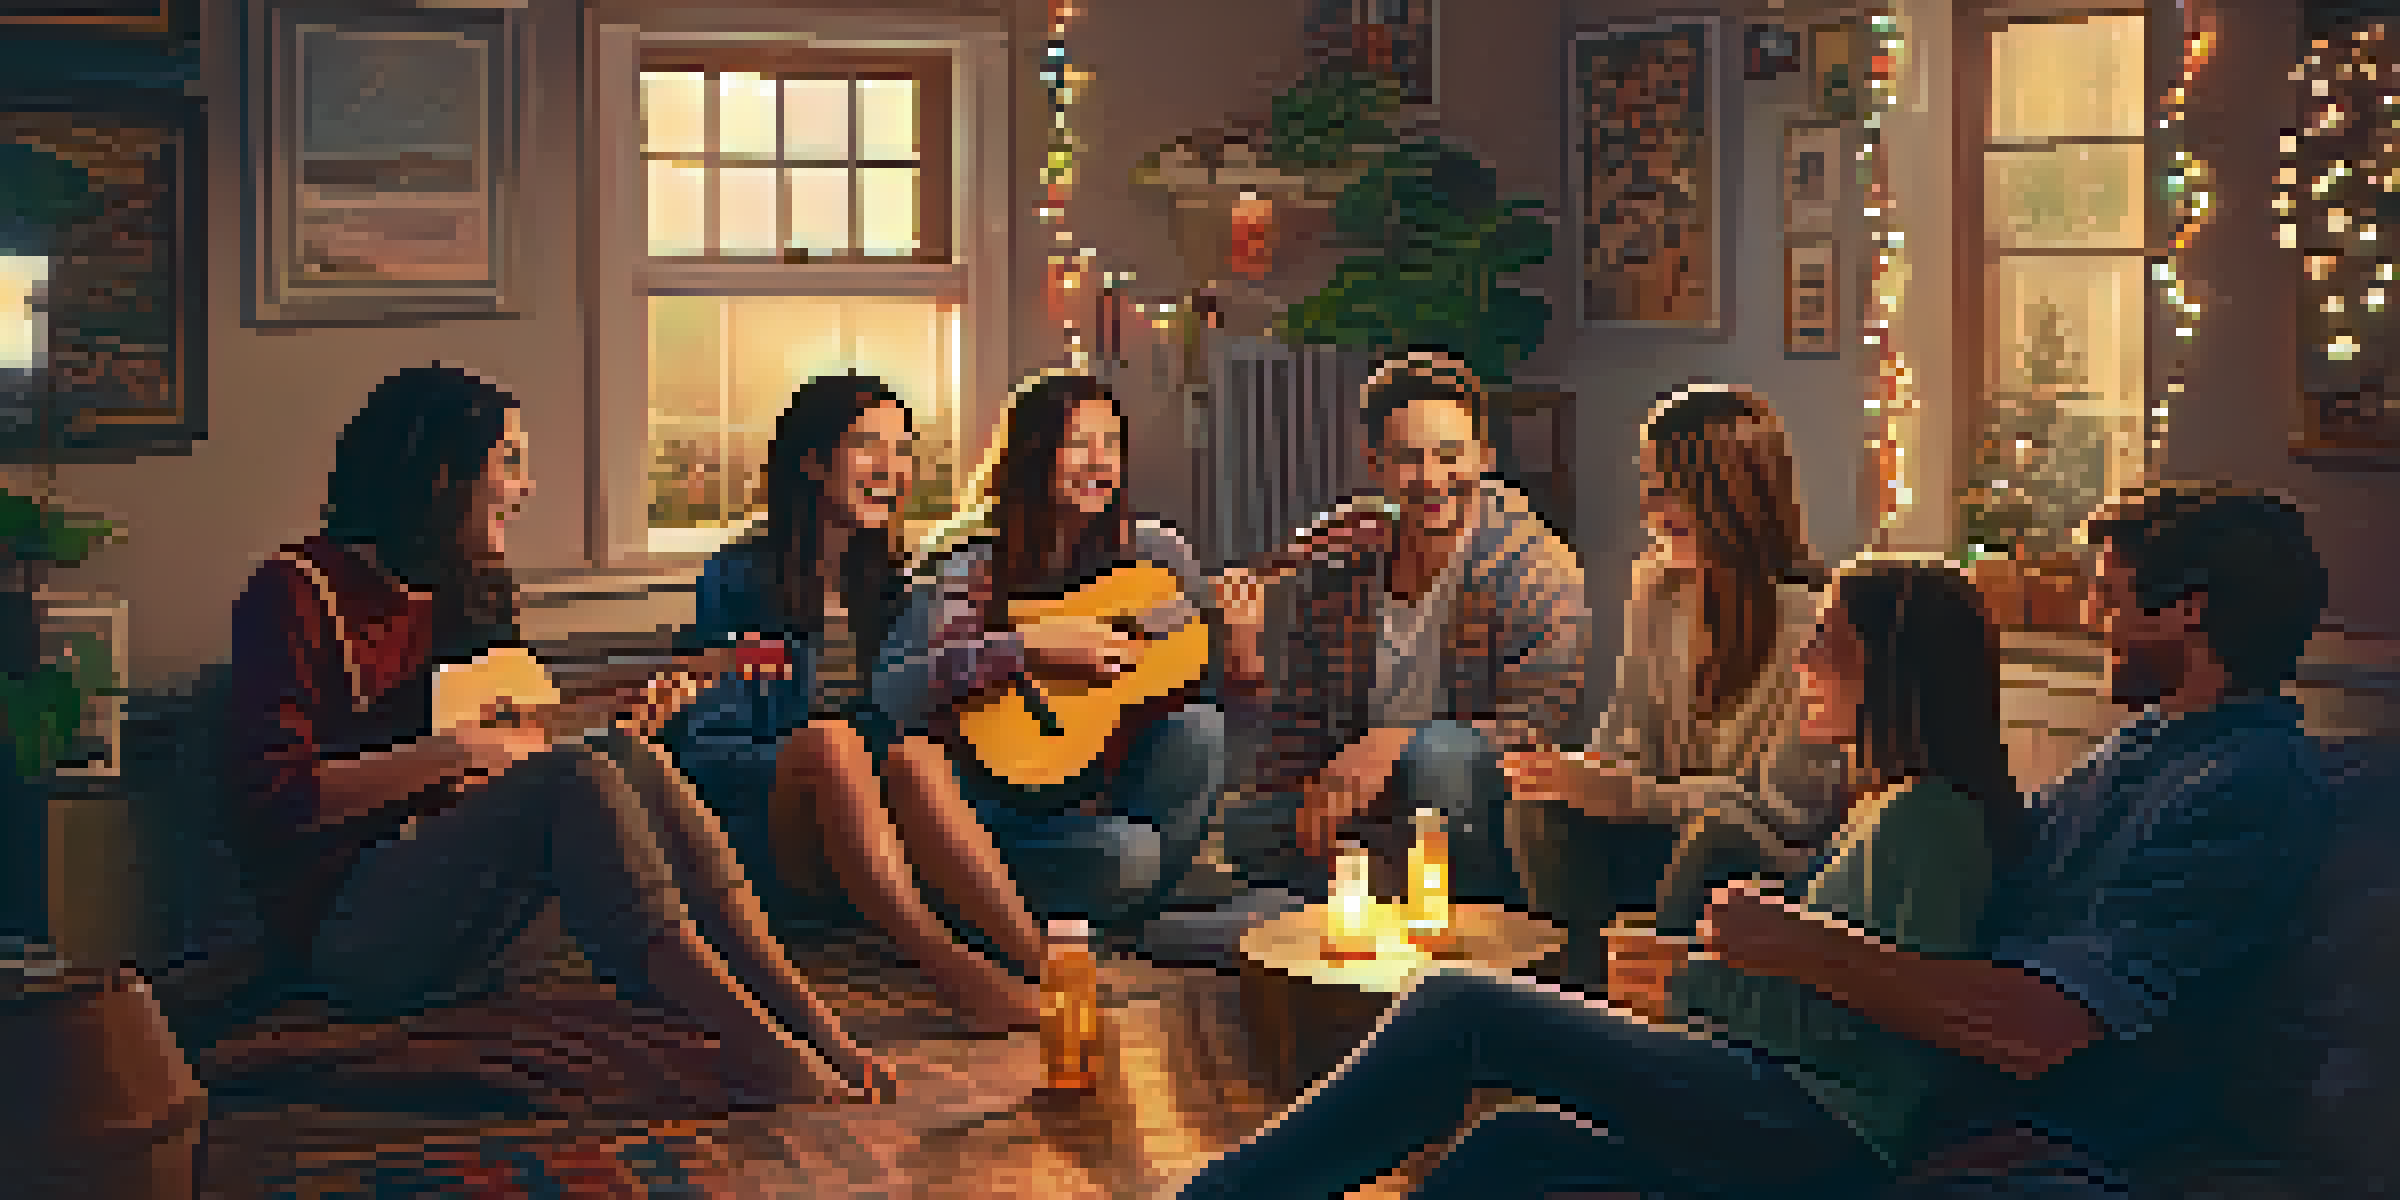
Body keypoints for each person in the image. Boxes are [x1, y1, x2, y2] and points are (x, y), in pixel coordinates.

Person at [1169, 556, 2024, 1199]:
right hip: (1776, 1097)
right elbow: (1834, 977)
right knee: (1513, 1147)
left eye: (1826, 642)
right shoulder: (1884, 807)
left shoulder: (1932, 820)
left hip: (1816, 1128)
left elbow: (1899, 1037)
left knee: (1460, 1004)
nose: (1802, 658)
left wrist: (1696, 983)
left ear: (1889, 673)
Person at [226, 362, 891, 1109]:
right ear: (442, 476)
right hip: (351, 935)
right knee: (578, 775)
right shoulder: (292, 591)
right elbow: (269, 804)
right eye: (508, 462)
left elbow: (497, 769)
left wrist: (597, 727)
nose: (526, 487)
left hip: (477, 925)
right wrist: (455, 753)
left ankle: (812, 1025)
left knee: (622, 753)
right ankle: (756, 1047)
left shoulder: (458, 589)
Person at [1703, 482, 2334, 1190]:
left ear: (2188, 610)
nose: (2095, 618)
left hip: (2052, 1140)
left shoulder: (2246, 785)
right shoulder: (2137, 748)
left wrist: (1805, 949)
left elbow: (2042, 1029)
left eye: (2112, 597)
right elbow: (1996, 877)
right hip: (1915, 1090)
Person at [662, 373, 1047, 1033]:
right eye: (867, 446)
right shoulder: (738, 577)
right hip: (768, 841)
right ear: (812, 462)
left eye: (902, 450)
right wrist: (821, 763)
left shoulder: (903, 591)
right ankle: (949, 969)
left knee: (917, 754)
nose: (889, 469)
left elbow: (908, 727)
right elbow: (703, 754)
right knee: (830, 741)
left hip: (875, 839)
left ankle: (1044, 964)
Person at [872, 371, 1227, 965]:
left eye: (1111, 443)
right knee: (1127, 857)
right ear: (1036, 452)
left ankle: (1118, 923)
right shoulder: (974, 563)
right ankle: (993, 904)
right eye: (1079, 442)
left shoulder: (1155, 553)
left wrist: (1237, 642)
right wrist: (1029, 647)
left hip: (1102, 786)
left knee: (1202, 731)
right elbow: (894, 692)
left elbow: (1199, 688)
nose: (1100, 460)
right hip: (999, 807)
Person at [1215, 350, 1589, 904]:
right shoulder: (1343, 563)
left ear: (1484, 457)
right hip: (1368, 802)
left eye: (1449, 455)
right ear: (1376, 464)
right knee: (1248, 830)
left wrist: (1395, 744)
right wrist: (1301, 794)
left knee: (1438, 756)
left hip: (1476, 808)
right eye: (1409, 458)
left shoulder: (1534, 569)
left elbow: (1532, 733)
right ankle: (1377, 883)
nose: (1432, 479)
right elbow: (1299, 726)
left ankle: (1433, 908)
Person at [1501, 383, 1844, 980]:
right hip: (1663, 827)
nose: (1658, 512)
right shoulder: (1657, 591)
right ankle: (1578, 995)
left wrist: (1630, 795)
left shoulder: (1813, 621)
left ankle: (1650, 1000)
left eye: (1683, 491)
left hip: (1758, 858)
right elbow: (1628, 736)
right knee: (1540, 807)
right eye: (1652, 489)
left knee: (1718, 834)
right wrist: (1580, 773)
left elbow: (1787, 810)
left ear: (1742, 494)